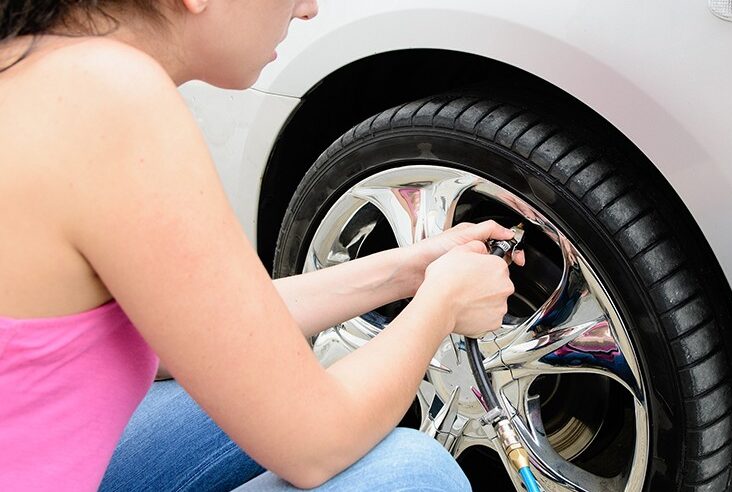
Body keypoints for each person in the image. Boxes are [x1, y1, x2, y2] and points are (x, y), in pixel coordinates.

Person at [0, 1, 524, 490]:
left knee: (266, 381)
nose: (308, 7)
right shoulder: (107, 97)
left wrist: (408, 271)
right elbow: (316, 445)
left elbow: (197, 329)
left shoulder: (33, 71)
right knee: (410, 473)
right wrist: (442, 306)